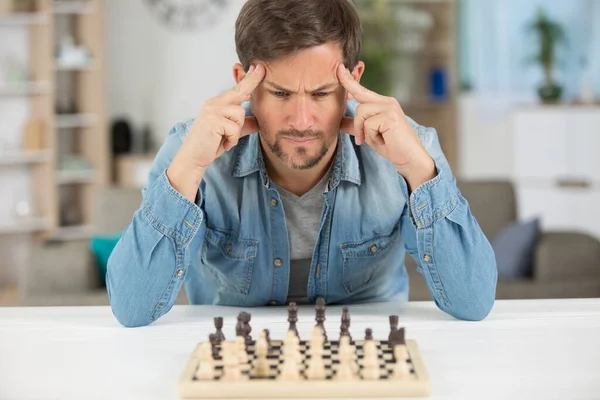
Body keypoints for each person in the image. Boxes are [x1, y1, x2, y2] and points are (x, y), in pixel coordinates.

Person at [106, 0, 497, 327]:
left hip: (368, 362)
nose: (302, 121)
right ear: (244, 82)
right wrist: (188, 169)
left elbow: (472, 301)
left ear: (353, 80)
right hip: (231, 361)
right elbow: (132, 309)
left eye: (322, 93)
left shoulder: (410, 147)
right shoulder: (190, 149)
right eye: (280, 93)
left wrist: (418, 171)